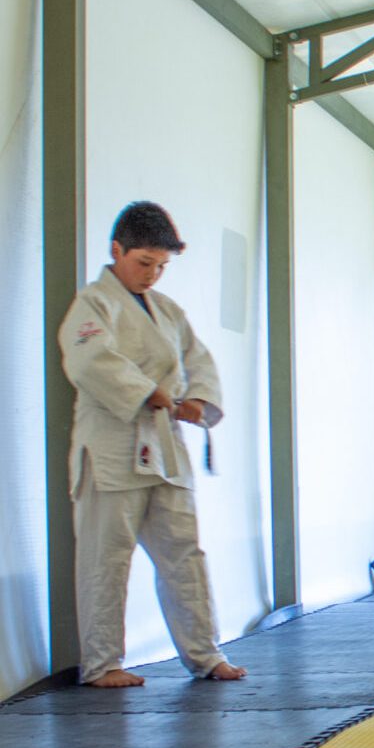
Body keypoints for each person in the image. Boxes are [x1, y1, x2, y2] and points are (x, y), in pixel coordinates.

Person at [57, 202, 245, 687]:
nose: (153, 275)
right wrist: (147, 391)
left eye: (162, 266)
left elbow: (197, 361)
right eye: (144, 263)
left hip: (165, 448)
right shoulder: (93, 305)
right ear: (116, 250)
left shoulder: (168, 311)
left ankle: (205, 655)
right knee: (106, 558)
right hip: (112, 449)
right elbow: (90, 361)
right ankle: (103, 664)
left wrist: (197, 402)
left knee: (185, 553)